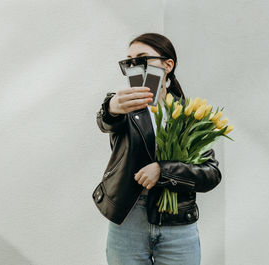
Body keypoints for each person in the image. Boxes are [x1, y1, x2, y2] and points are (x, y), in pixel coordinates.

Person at [92, 33, 222, 265]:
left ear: (168, 64)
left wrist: (163, 171)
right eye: (129, 61)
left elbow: (211, 174)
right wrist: (111, 107)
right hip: (129, 218)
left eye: (142, 58)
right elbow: (107, 121)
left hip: (178, 222)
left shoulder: (190, 115)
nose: (134, 66)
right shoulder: (126, 107)